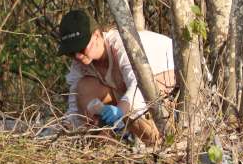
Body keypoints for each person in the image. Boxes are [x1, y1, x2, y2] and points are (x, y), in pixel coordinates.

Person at [58, 9, 175, 145]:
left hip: (169, 81)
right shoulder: (80, 64)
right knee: (85, 89)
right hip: (140, 94)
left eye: (81, 48)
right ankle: (101, 148)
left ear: (96, 35)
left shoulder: (121, 44)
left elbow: (137, 85)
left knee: (128, 105)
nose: (77, 55)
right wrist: (67, 130)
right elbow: (75, 105)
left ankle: (164, 144)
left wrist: (120, 109)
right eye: (71, 52)